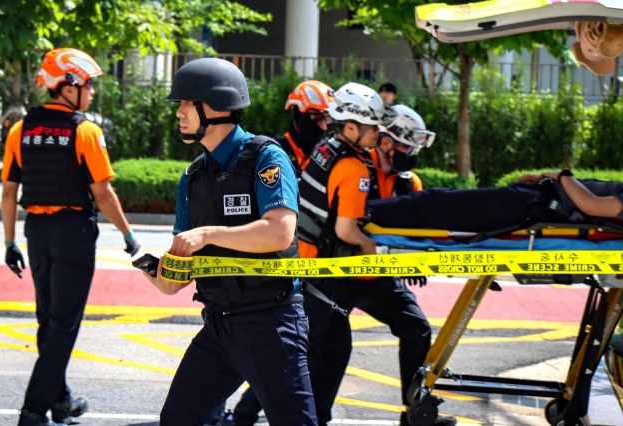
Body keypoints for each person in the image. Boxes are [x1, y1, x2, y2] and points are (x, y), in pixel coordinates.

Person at [140, 57, 317, 426]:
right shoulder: (193, 177)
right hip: (219, 325)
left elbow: (279, 231)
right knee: (176, 420)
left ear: (216, 106)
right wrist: (162, 275)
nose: (179, 113)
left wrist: (206, 235)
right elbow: (177, 282)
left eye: (186, 103)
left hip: (272, 323)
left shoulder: (266, 158)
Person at [1, 48, 141, 426]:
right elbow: (103, 194)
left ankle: (60, 401)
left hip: (36, 233)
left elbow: (9, 192)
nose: (92, 91)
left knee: (48, 320)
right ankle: (33, 411)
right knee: (63, 324)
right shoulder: (85, 131)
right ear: (69, 86)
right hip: (73, 233)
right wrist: (128, 235)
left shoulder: (21, 129)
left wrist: (10, 242)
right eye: (89, 84)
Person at [302, 102, 457, 426]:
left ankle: (414, 414)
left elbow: (413, 230)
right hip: (339, 274)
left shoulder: (409, 182)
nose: (410, 152)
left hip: (378, 275)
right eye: (406, 144)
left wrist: (413, 262)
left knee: (417, 329)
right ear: (385, 141)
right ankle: (310, 417)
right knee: (323, 347)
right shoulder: (356, 165)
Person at [230, 80, 334, 426]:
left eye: (326, 120)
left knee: (304, 346)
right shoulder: (272, 156)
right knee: (273, 350)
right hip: (277, 266)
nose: (323, 126)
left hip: (316, 262)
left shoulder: (323, 157)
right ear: (297, 116)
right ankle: (236, 411)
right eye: (317, 118)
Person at [367, 170, 623, 231]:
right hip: (535, 200)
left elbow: (591, 205)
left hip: (534, 205)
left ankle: (363, 212)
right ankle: (364, 212)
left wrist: (563, 175)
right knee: (440, 202)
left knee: (435, 203)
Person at [278, 80, 335, 174]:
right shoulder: (274, 152)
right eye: (318, 118)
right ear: (299, 116)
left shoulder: (326, 157)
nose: (324, 128)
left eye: (328, 119)